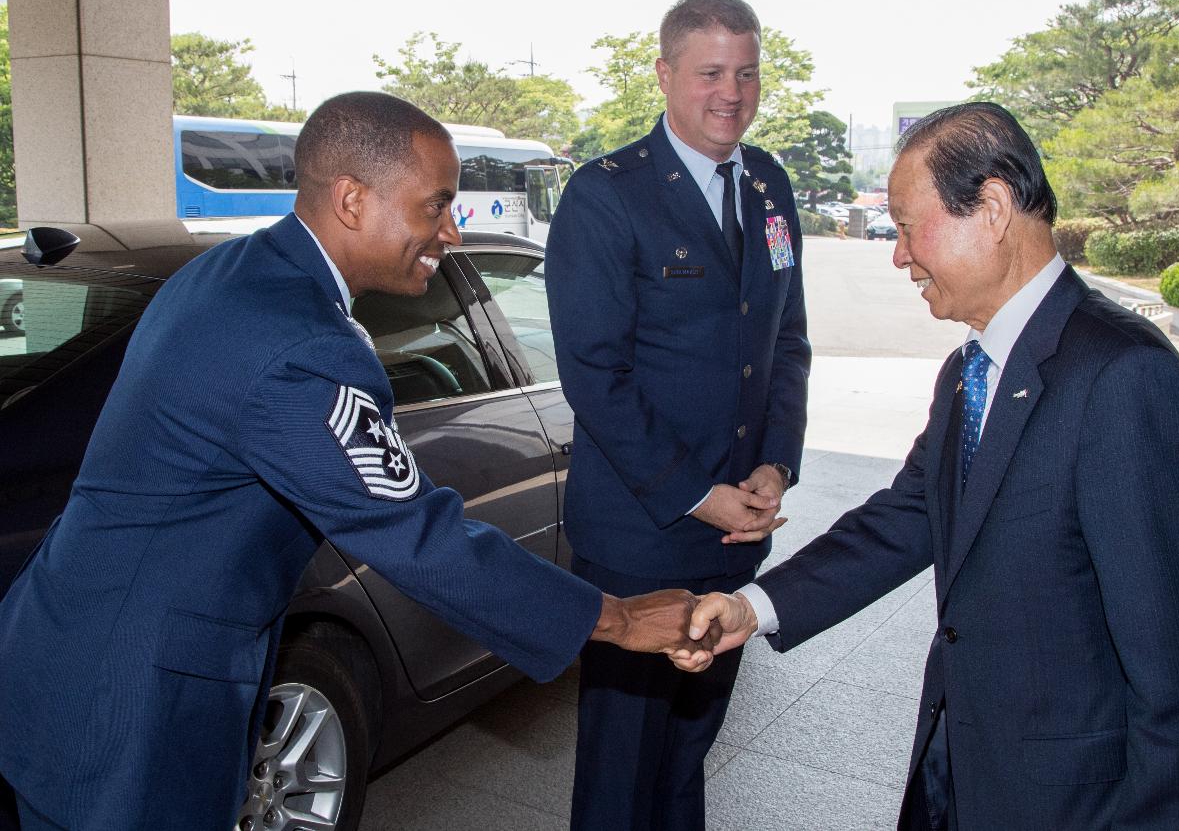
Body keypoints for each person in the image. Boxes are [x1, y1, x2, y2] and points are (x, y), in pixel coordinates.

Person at [0, 92, 711, 831]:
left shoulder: (233, 271)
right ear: (351, 200)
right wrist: (619, 617)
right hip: (130, 703)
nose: (451, 234)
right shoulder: (301, 342)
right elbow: (419, 536)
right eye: (435, 207)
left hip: (64, 654)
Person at [681, 102, 1179, 829]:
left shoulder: (1124, 376)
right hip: (964, 767)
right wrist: (751, 607)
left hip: (1080, 799)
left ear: (992, 207)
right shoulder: (968, 368)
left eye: (909, 226)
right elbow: (908, 514)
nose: (896, 253)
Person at [544, 0, 810, 830]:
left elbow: (786, 343)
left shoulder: (769, 184)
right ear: (665, 75)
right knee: (623, 767)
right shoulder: (606, 195)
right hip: (640, 538)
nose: (731, 92)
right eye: (709, 73)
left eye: (747, 72)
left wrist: (775, 465)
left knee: (691, 752)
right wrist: (698, 492)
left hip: (734, 536)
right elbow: (595, 376)